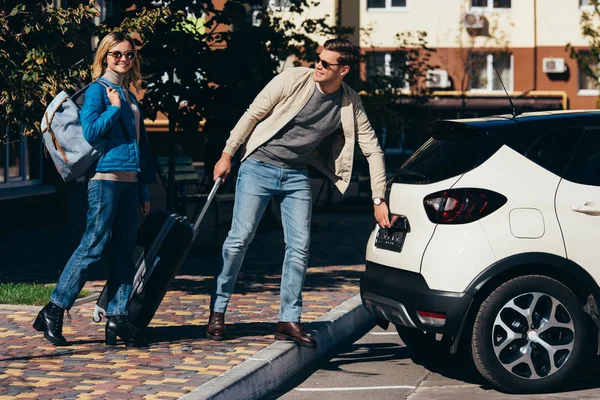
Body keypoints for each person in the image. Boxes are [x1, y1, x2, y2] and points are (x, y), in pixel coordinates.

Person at [206, 38, 392, 349]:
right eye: (318, 59)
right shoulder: (293, 79)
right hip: (259, 166)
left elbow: (373, 150)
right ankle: (218, 310)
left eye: (326, 63)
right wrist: (227, 154)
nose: (318, 66)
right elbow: (253, 114)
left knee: (299, 246)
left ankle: (288, 320)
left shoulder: (349, 103)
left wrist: (378, 199)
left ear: (343, 70)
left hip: (295, 174)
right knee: (239, 240)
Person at [33, 32, 155, 347]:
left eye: (129, 54)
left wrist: (143, 190)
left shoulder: (129, 95)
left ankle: (117, 319)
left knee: (125, 254)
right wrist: (114, 109)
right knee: (93, 247)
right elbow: (91, 131)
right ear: (104, 56)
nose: (124, 60)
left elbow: (140, 146)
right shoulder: (99, 93)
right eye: (117, 54)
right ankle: (55, 308)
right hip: (105, 182)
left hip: (129, 183)